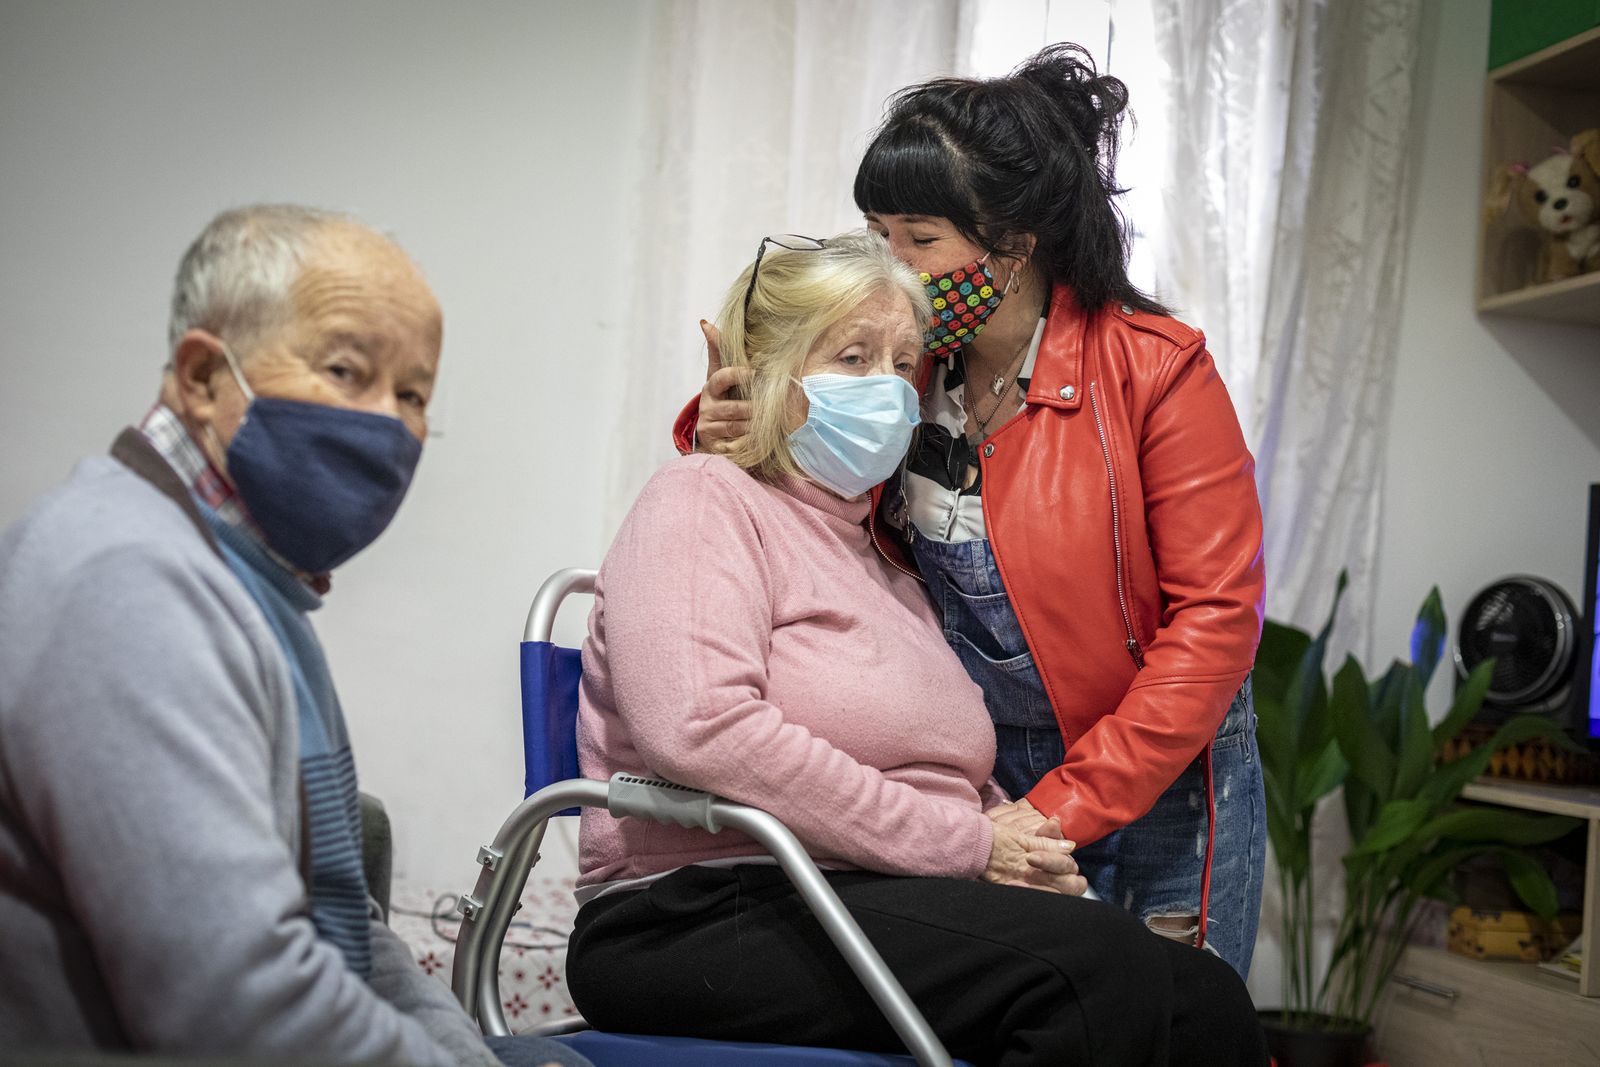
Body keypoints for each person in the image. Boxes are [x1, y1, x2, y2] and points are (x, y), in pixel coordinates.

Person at [566, 231, 1267, 1067]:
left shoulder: (884, 555)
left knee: (1204, 996)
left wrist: (1015, 851)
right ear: (769, 371)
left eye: (904, 365)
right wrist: (972, 845)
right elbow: (699, 726)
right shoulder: (704, 500)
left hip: (864, 891)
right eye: (852, 356)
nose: (887, 392)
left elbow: (944, 772)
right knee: (1090, 970)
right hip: (701, 906)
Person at [681, 45, 1267, 974]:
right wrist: (723, 419)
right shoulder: (897, 371)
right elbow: (800, 514)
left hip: (1157, 776)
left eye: (919, 239)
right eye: (876, 234)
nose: (892, 266)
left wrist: (1059, 807)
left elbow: (1217, 620)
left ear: (1014, 247)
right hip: (975, 782)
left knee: (1169, 1018)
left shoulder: (1157, 368)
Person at [0, 205, 587, 1067]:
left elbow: (346, 922)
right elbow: (240, 1007)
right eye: (347, 370)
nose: (388, 423)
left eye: (415, 394)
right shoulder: (123, 578)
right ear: (203, 377)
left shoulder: (248, 578)